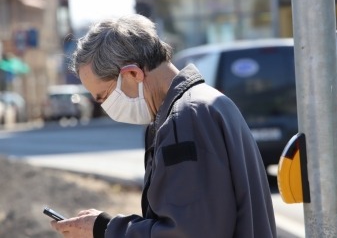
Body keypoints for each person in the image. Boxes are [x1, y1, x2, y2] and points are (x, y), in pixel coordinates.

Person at [51, 14, 276, 238]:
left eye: (103, 97)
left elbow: (189, 233)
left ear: (132, 74)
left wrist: (105, 229)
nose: (104, 106)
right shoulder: (203, 104)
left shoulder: (185, 119)